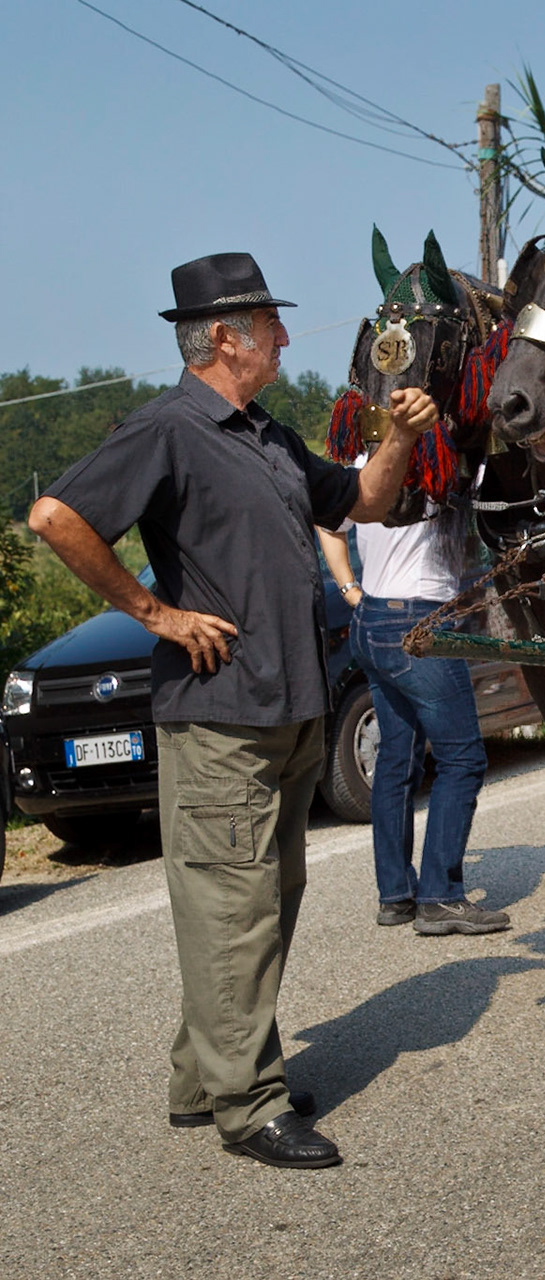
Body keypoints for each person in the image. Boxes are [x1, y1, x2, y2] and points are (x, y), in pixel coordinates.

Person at [27, 253, 431, 1170]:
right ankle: (249, 1106)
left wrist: (399, 435)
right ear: (223, 339)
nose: (287, 338)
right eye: (271, 325)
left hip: (286, 710)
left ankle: (200, 1081)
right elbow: (54, 517)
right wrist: (154, 613)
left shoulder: (269, 438)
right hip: (217, 718)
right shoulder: (168, 428)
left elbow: (368, 500)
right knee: (237, 909)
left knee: (259, 903)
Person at [318, 471, 506, 937]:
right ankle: (440, 896)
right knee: (462, 757)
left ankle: (396, 893)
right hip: (420, 619)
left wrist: (350, 589)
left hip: (373, 615)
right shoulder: (440, 463)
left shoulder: (367, 465)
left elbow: (327, 525)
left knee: (396, 760)